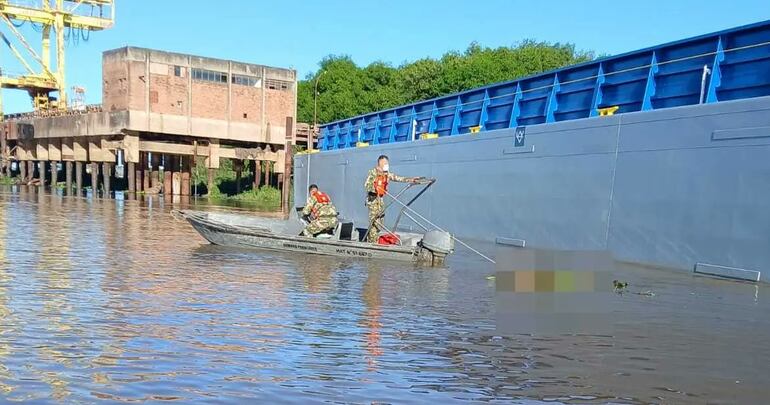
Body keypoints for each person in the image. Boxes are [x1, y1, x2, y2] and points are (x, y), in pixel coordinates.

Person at [364, 155, 422, 243]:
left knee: (380, 222)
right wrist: (375, 188)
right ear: (380, 163)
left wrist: (411, 179)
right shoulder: (372, 172)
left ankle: (374, 239)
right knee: (375, 223)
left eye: (387, 163)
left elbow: (397, 178)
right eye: (385, 163)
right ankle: (371, 242)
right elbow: (367, 185)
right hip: (373, 201)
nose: (387, 165)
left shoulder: (386, 174)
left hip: (380, 200)